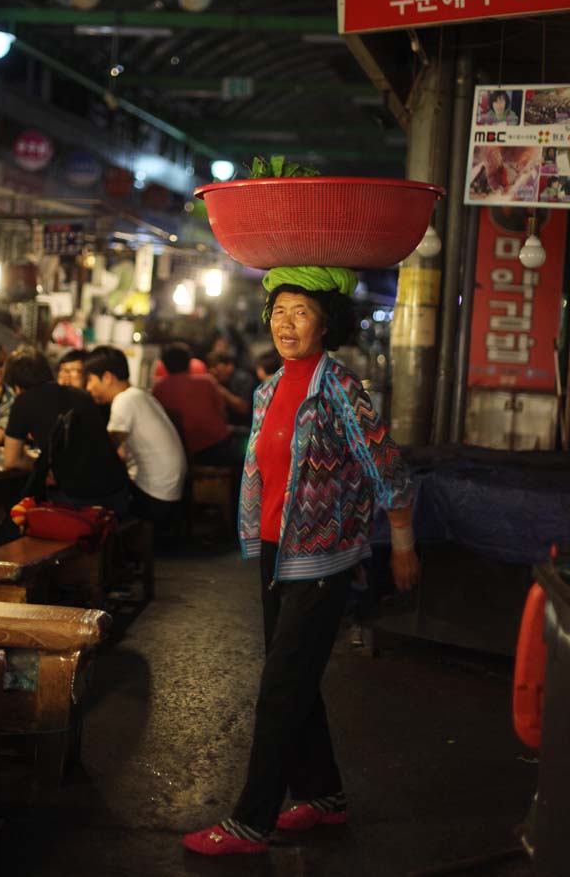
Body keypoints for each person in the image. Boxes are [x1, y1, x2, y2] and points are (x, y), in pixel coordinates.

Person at [183, 266, 419, 856]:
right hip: (274, 551)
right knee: (295, 677)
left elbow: (386, 464)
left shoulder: (339, 385)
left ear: (326, 323)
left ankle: (251, 821)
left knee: (280, 686)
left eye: (302, 312)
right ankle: (325, 796)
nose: (287, 324)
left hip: (322, 557)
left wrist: (403, 542)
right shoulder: (268, 388)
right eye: (280, 311)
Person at [2, 345, 129, 513]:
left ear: (16, 386)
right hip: (119, 493)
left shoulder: (22, 402)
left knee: (25, 505)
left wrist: (42, 464)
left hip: (82, 502)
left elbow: (11, 461)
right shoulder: (81, 395)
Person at [84, 346, 187, 524]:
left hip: (154, 496)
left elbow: (107, 452)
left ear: (107, 378)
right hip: (170, 492)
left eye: (90, 380)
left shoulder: (124, 401)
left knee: (89, 498)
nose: (88, 388)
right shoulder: (140, 395)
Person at [153, 342, 243, 466]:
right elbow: (222, 414)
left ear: (165, 364)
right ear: (189, 362)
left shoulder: (158, 388)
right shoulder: (207, 381)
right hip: (216, 446)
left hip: (180, 450)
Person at [206, 351, 256, 426]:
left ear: (229, 366)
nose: (212, 371)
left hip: (247, 428)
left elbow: (244, 409)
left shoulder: (243, 379)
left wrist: (221, 391)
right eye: (209, 367)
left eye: (215, 366)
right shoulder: (221, 381)